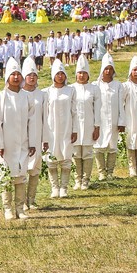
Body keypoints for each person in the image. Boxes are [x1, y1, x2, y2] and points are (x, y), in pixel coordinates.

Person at [0, 57, 38, 220]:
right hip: (6, 144)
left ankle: (20, 208)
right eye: (12, 74)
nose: (15, 77)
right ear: (7, 77)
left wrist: (33, 142)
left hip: (23, 143)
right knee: (6, 176)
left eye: (18, 74)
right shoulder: (1, 96)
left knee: (20, 175)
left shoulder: (26, 97)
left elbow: (32, 121)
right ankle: (7, 209)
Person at [21, 57, 49, 211]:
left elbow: (46, 118)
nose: (31, 78)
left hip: (37, 136)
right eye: (29, 75)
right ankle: (22, 200)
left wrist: (45, 139)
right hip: (21, 137)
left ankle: (31, 199)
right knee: (23, 168)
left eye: (34, 75)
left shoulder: (42, 95)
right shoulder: (19, 94)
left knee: (35, 168)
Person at [70, 54, 101, 190]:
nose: (81, 76)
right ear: (76, 75)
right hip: (74, 126)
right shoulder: (71, 88)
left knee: (87, 152)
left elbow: (98, 109)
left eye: (84, 73)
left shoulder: (94, 89)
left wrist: (97, 127)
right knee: (76, 153)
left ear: (88, 75)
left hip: (89, 125)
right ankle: (77, 179)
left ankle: (85, 180)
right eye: (79, 73)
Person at [45, 60, 74, 198]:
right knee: (52, 157)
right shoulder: (47, 92)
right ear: (53, 75)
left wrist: (75, 130)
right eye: (57, 74)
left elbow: (75, 111)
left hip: (67, 127)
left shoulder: (71, 90)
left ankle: (64, 187)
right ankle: (54, 187)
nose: (60, 76)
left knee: (66, 156)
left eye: (62, 73)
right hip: (51, 129)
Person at [93, 53, 124, 180]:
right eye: (106, 68)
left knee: (112, 146)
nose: (108, 71)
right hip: (99, 121)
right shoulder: (95, 85)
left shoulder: (118, 85)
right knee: (98, 146)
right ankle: (102, 172)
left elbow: (121, 105)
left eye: (110, 69)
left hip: (114, 121)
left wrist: (122, 121)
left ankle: (110, 172)